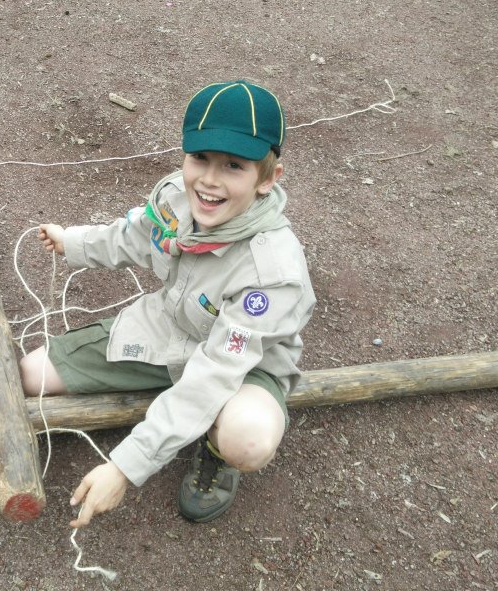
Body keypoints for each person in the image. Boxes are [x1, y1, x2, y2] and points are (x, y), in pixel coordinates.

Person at [20, 79, 316, 527]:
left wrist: (124, 467)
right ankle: (175, 407)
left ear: (268, 179)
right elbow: (137, 234)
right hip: (170, 327)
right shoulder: (178, 195)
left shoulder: (271, 275)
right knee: (31, 375)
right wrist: (73, 242)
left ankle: (214, 445)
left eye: (234, 166)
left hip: (243, 367)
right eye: (200, 158)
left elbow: (216, 372)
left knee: (248, 438)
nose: (210, 181)